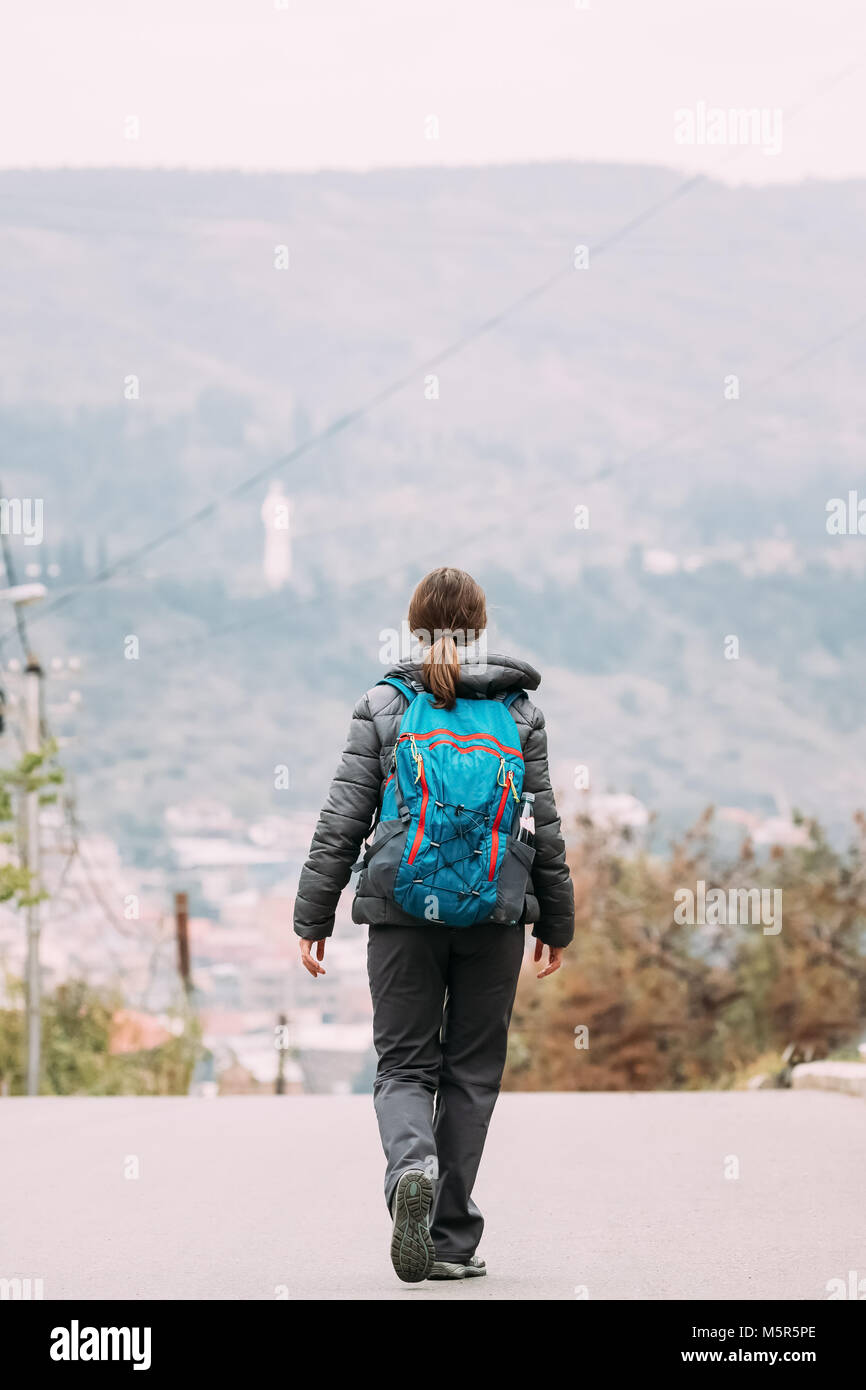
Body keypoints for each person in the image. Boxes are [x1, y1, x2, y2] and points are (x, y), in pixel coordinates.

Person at [294, 567, 574, 1282]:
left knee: (405, 1066)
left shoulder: (384, 704)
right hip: (494, 913)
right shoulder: (518, 714)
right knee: (473, 1071)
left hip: (400, 913)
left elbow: (343, 821)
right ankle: (449, 1238)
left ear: (413, 626)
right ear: (481, 627)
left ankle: (409, 1171)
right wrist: (557, 922)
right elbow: (542, 824)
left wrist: (313, 914)